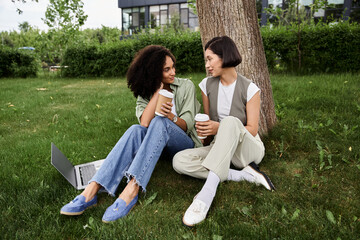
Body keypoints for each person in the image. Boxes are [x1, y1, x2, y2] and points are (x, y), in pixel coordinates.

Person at [60, 45, 202, 223]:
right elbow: (144, 123)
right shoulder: (146, 91)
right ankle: (91, 191)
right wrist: (158, 92)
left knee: (159, 121)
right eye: (166, 69)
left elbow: (187, 125)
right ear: (154, 71)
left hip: (182, 145)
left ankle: (131, 190)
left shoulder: (185, 86)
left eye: (173, 67)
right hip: (156, 147)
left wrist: (170, 117)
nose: (173, 72)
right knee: (135, 130)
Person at [172, 36, 275, 227]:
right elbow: (210, 127)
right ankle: (244, 175)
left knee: (229, 122)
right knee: (179, 161)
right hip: (220, 146)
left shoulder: (250, 88)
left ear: (224, 56)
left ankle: (206, 195)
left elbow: (252, 129)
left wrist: (220, 126)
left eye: (210, 59)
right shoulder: (206, 85)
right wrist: (205, 132)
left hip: (247, 150)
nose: (207, 65)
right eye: (206, 60)